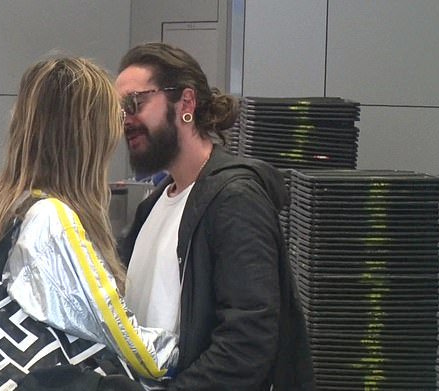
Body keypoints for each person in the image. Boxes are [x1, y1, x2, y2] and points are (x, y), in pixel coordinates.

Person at [116, 42, 315, 390]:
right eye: (120, 110)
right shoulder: (152, 207)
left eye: (136, 103)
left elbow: (247, 344)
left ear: (186, 104)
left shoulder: (235, 200)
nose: (127, 121)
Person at [0, 57, 178, 389]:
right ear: (84, 136)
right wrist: (202, 350)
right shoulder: (56, 222)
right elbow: (132, 345)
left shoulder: (8, 201)